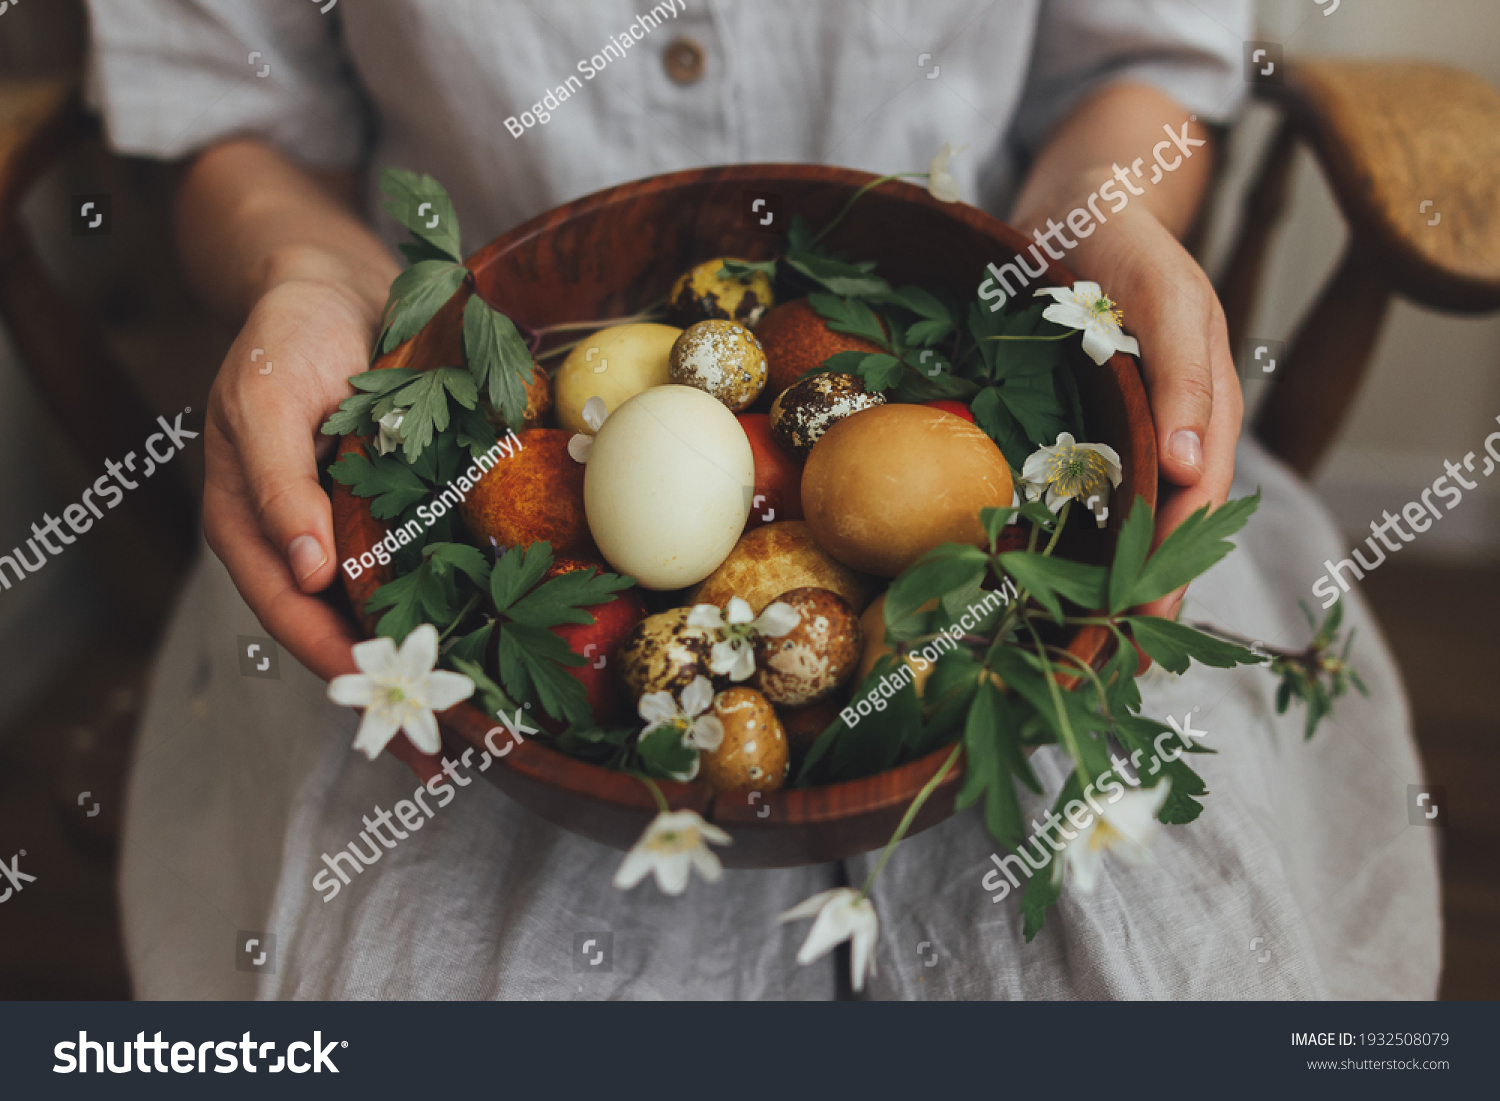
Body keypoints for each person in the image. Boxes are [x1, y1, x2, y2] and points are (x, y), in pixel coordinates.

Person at [86, 0, 1439, 998]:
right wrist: (306, 276)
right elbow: (232, 116)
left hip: (1015, 445)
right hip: (436, 485)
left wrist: (1100, 219)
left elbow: (1136, 70)